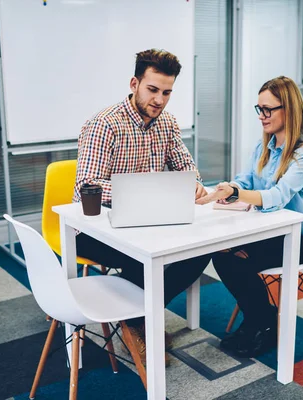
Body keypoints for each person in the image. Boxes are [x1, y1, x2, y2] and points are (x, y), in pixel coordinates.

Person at [73, 49, 210, 364]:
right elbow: (86, 187)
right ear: (134, 83)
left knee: (201, 249)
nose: (159, 100)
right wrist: (140, 192)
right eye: (152, 90)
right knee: (145, 258)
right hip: (97, 228)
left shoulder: (168, 123)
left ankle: (139, 314)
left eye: (167, 92)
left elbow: (187, 168)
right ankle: (137, 323)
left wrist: (194, 184)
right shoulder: (103, 125)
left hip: (151, 222)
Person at [196, 76, 303, 358]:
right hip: (273, 231)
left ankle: (261, 322)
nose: (262, 116)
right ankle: (263, 318)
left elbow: (277, 197)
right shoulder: (263, 147)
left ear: (288, 110)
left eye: (268, 109)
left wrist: (235, 193)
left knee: (236, 260)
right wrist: (224, 190)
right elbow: (245, 181)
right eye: (259, 109)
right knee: (221, 254)